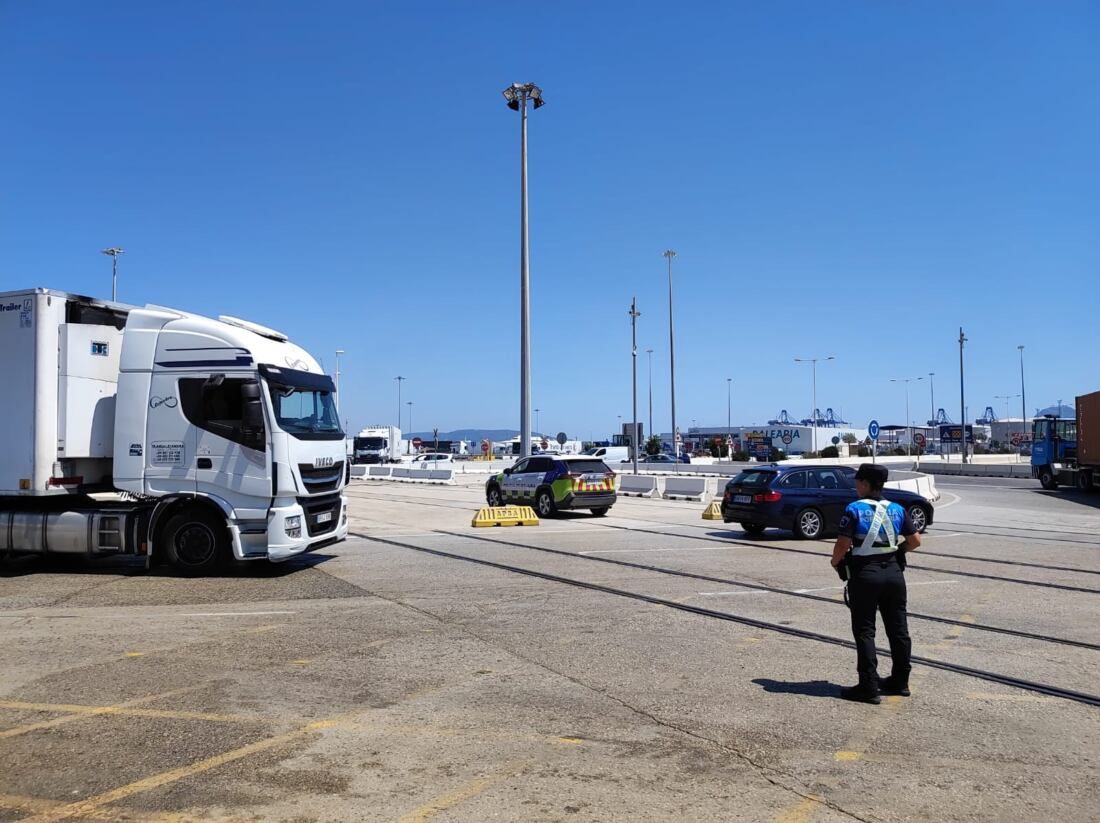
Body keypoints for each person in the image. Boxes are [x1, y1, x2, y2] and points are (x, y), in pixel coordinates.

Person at [830, 463, 922, 704]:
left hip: (865, 575)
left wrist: (835, 561)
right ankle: (900, 682)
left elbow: (842, 543)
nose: (856, 485)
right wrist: (898, 551)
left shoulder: (854, 509)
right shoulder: (897, 509)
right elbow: (915, 541)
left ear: (866, 484)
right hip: (894, 574)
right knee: (898, 629)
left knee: (865, 630)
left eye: (858, 481)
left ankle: (868, 685)